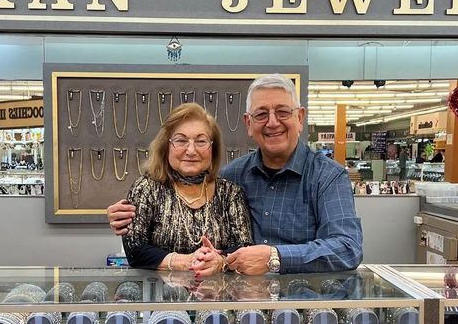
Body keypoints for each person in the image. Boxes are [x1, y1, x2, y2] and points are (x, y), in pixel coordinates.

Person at [108, 74, 363, 274]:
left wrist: (275, 257)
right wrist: (124, 217)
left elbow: (348, 249)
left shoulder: (328, 177)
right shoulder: (233, 175)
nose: (272, 122)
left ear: (300, 117)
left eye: (283, 112)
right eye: (261, 114)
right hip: (237, 307)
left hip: (305, 306)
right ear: (248, 124)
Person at [122, 102, 252, 274]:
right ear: (166, 146)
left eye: (201, 141)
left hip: (217, 290)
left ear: (213, 149)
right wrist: (186, 261)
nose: (191, 150)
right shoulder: (146, 189)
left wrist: (220, 261)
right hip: (158, 290)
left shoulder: (230, 193)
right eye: (181, 140)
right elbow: (135, 249)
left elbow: (244, 247)